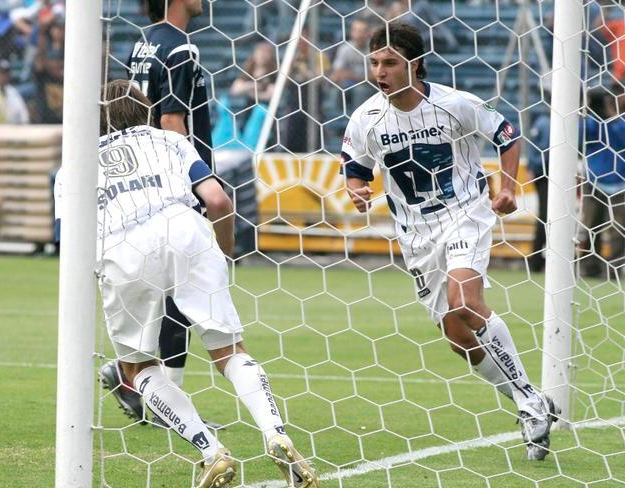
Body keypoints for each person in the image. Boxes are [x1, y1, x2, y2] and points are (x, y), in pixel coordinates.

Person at [54, 79, 319, 488]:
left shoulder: (73, 165)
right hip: (183, 229)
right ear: (147, 111)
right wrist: (224, 252)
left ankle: (209, 450)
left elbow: (67, 241)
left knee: (137, 366)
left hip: (122, 247)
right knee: (229, 350)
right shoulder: (171, 141)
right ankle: (276, 433)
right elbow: (218, 201)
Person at [340, 22, 559, 461]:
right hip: (416, 235)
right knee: (457, 334)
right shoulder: (366, 118)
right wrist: (355, 190)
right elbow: (355, 167)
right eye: (375, 62)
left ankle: (530, 404)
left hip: (464, 214)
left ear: (415, 64)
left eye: (389, 63)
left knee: (464, 302)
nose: (379, 72)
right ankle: (529, 397)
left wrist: (509, 187)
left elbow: (507, 135)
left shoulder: (453, 104)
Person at [110, 0, 220, 428]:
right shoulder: (180, 49)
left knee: (158, 289)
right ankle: (165, 405)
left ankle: (130, 374)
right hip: (172, 183)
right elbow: (173, 121)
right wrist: (194, 182)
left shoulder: (142, 44)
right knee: (183, 291)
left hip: (141, 180)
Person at [578, 87, 625, 278]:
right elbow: (579, 137)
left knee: (619, 230)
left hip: (621, 183)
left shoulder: (620, 123)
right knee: (590, 227)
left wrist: (612, 116)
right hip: (594, 181)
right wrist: (592, 113)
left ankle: (613, 269)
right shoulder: (592, 122)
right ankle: (589, 267)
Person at [527, 97, 551, 273]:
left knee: (550, 216)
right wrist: (533, 167)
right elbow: (536, 149)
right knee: (545, 215)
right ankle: (536, 259)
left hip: (550, 171)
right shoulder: (544, 122)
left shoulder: (542, 121)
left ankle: (541, 257)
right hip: (545, 172)